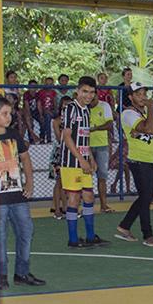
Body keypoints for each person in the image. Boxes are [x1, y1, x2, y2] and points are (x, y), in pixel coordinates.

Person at [0, 96, 45, 289]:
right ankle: (1, 275)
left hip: (17, 195)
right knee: (0, 236)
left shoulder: (14, 135)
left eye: (10, 113)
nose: (9, 117)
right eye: (4, 113)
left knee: (26, 231)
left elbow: (25, 159)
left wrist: (29, 183)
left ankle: (22, 272)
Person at [59, 77, 108, 249]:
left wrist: (91, 158)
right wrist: (81, 159)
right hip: (71, 162)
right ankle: (73, 239)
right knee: (73, 198)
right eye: (85, 91)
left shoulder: (86, 110)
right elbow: (66, 136)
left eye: (92, 92)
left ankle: (89, 236)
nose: (88, 95)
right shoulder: (70, 108)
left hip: (84, 161)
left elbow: (85, 138)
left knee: (88, 196)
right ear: (78, 91)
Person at [116, 82, 153, 246]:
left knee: (147, 197)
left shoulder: (145, 113)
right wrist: (150, 114)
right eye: (139, 94)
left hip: (152, 159)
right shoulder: (128, 114)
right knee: (145, 197)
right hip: (139, 159)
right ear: (130, 97)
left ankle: (124, 226)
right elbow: (151, 129)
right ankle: (147, 234)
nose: (143, 97)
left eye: (144, 93)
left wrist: (146, 127)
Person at [88, 89, 116, 213]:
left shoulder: (104, 106)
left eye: (93, 95)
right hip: (85, 147)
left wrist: (95, 129)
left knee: (102, 177)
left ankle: (104, 205)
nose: (91, 98)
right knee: (86, 177)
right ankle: (86, 205)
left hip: (102, 145)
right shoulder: (83, 107)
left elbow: (110, 124)